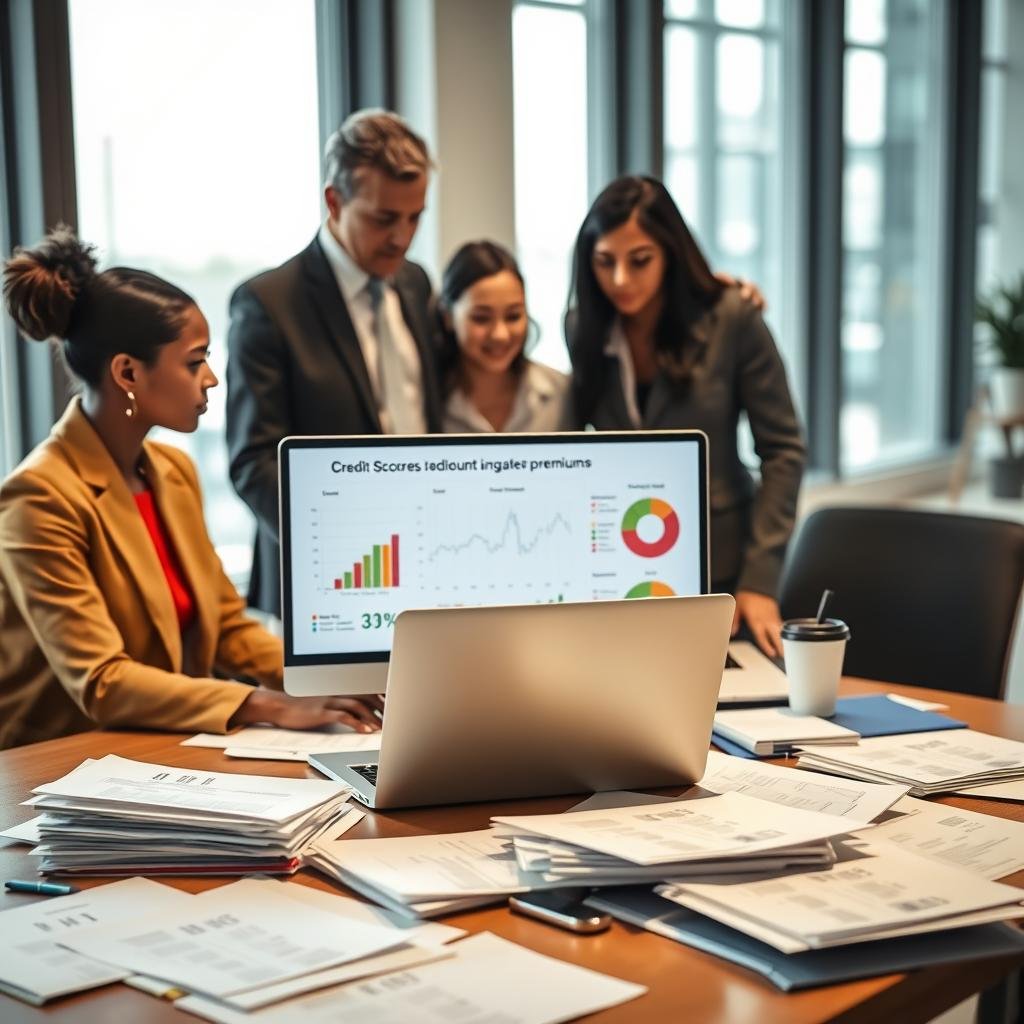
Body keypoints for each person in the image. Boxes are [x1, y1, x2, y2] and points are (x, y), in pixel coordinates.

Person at [0, 228, 382, 749]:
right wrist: (268, 703)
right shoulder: (39, 498)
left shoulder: (171, 471)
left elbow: (226, 625)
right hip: (65, 768)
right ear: (128, 372)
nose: (211, 379)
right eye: (194, 361)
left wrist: (332, 683)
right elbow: (102, 681)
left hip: (161, 751)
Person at [566, 176, 806, 657]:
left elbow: (783, 451)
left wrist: (759, 582)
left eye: (640, 261)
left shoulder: (732, 318)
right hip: (621, 573)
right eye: (604, 262)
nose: (620, 281)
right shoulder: (583, 328)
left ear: (671, 252)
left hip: (723, 574)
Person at [227, 109, 444, 618]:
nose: (402, 237)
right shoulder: (268, 303)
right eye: (383, 218)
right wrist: (341, 546)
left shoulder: (415, 284)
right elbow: (253, 463)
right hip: (327, 581)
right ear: (334, 201)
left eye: (415, 217)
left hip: (425, 566)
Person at [437, 240, 572, 433]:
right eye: (481, 318)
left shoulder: (561, 393)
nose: (500, 334)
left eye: (513, 316)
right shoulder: (428, 399)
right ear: (448, 317)